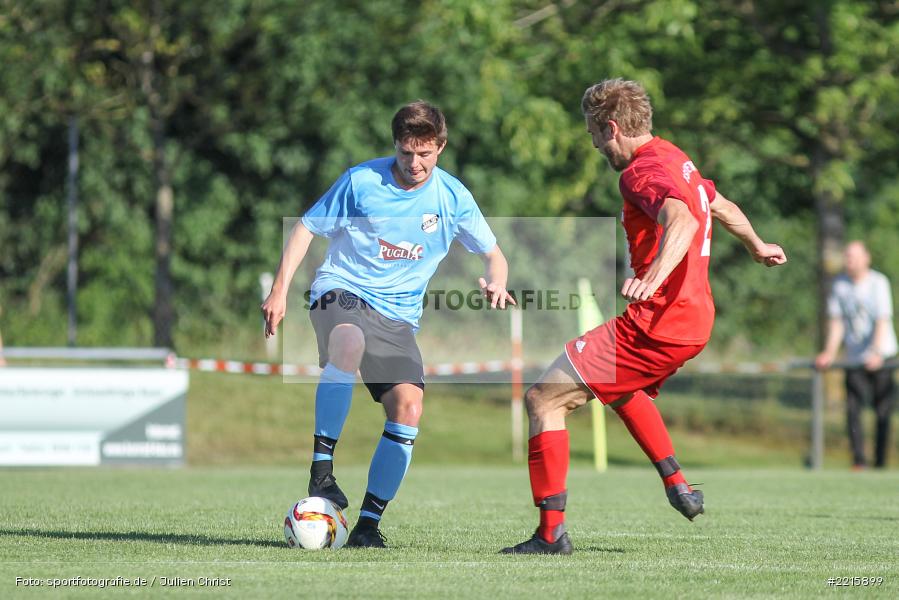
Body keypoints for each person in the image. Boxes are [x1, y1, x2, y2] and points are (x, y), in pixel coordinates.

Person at [501, 78, 787, 555]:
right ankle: (678, 485)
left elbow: (683, 219)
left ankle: (550, 536)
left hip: (659, 322)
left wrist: (652, 278)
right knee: (619, 387)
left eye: (595, 134)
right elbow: (719, 206)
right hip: (692, 322)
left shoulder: (638, 173)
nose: (596, 145)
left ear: (611, 127)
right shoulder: (676, 158)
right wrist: (757, 245)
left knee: (543, 400)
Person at [262, 100, 515, 548]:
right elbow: (305, 228)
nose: (414, 163)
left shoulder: (453, 198)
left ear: (441, 147)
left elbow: (494, 254)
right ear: (395, 145)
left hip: (397, 316)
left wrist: (497, 281)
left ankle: (367, 526)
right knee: (349, 343)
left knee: (409, 407)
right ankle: (322, 471)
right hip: (341, 289)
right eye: (405, 152)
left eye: (424, 154)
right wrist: (280, 290)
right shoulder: (361, 182)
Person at [815, 241, 897, 469]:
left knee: (883, 411)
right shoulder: (840, 285)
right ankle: (859, 461)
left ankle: (880, 462)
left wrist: (876, 352)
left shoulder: (878, 282)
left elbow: (882, 320)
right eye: (847, 256)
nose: (849, 261)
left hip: (883, 357)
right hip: (854, 359)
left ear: (866, 258)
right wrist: (829, 352)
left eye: (854, 256)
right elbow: (837, 322)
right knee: (852, 410)